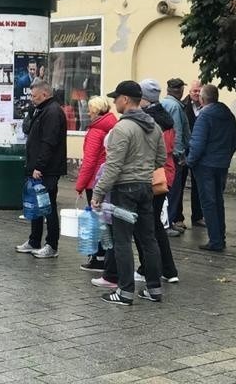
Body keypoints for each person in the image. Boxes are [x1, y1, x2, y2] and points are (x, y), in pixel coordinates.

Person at [91, 80, 166, 305]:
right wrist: (142, 169)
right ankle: (154, 288)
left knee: (122, 240)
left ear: (125, 99)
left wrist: (98, 193)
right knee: (148, 239)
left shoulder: (122, 128)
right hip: (145, 187)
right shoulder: (154, 126)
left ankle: (124, 292)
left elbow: (113, 165)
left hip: (125, 190)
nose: (114, 103)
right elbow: (161, 159)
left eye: (116, 98)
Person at [15, 79, 67, 258]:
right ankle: (34, 240)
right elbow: (30, 131)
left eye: (34, 96)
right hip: (36, 168)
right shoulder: (40, 110)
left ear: (45, 94)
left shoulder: (52, 112)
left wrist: (40, 166)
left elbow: (49, 142)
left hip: (47, 170)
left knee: (48, 206)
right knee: (36, 205)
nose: (32, 99)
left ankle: (51, 245)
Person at [136, 79, 179, 283]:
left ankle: (149, 268)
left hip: (154, 176)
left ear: (145, 99)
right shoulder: (166, 116)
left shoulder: (149, 120)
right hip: (165, 175)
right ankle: (168, 270)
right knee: (154, 224)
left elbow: (153, 152)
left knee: (146, 225)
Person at [187, 84, 236, 252]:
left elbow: (197, 143)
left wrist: (190, 161)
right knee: (218, 201)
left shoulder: (204, 116)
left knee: (208, 203)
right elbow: (235, 140)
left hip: (205, 166)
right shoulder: (228, 114)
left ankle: (215, 241)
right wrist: (226, 156)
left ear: (202, 99)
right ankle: (220, 238)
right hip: (221, 164)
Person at [76, 95, 117, 272]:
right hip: (107, 178)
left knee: (97, 220)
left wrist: (80, 185)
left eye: (90, 110)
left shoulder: (96, 131)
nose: (87, 113)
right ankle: (104, 256)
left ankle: (98, 257)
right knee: (106, 219)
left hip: (95, 181)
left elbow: (89, 161)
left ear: (95, 111)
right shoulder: (111, 125)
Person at [160, 78, 191, 236]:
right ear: (178, 90)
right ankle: (168, 223)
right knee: (173, 191)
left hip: (164, 153)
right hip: (173, 155)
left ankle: (167, 222)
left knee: (166, 190)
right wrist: (179, 155)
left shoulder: (164, 104)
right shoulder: (175, 107)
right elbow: (177, 132)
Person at [179, 79, 205, 228]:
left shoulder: (206, 107)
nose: (196, 93)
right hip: (184, 150)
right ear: (189, 92)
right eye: (194, 91)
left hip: (199, 151)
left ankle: (198, 216)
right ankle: (178, 218)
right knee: (180, 185)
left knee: (198, 185)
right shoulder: (182, 106)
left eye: (199, 91)